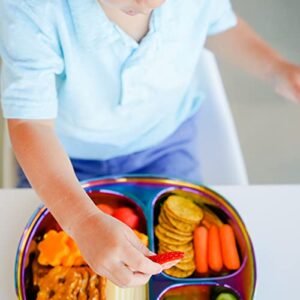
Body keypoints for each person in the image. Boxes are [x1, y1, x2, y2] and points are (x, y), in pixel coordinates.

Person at [0, 0, 299, 288]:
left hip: (165, 142)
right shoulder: (31, 10)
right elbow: (31, 124)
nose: (147, 3)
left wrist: (277, 70)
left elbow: (219, 25)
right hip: (63, 157)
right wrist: (81, 220)